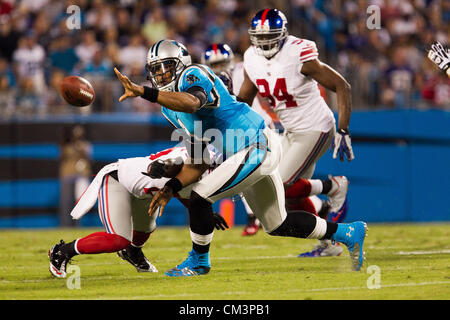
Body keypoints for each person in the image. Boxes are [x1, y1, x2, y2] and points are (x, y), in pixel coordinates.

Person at [114, 39, 367, 276]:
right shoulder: (170, 108)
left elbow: (192, 102)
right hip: (246, 152)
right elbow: (198, 162)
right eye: (156, 71)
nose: (161, 76)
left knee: (201, 196)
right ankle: (348, 232)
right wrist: (172, 186)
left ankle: (199, 262)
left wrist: (144, 92)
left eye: (166, 68)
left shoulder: (194, 74)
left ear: (180, 65)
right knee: (277, 223)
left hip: (255, 144)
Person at [202, 43, 349, 247]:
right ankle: (325, 231)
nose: (218, 68)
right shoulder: (217, 75)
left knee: (273, 183)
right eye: (213, 64)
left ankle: (332, 187)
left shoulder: (244, 67)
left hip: (262, 132)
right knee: (282, 192)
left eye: (220, 63)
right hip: (269, 131)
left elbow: (243, 101)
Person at [236, 9, 354, 257]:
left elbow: (341, 85)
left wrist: (343, 129)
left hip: (316, 126)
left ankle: (334, 186)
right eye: (260, 37)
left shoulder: (298, 52)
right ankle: (329, 243)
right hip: (291, 130)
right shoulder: (251, 58)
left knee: (278, 184)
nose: (265, 42)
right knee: (286, 198)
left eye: (271, 36)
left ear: (283, 34)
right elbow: (244, 99)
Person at [48, 145, 228, 278]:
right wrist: (163, 166)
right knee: (117, 240)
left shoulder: (209, 160)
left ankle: (132, 252)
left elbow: (183, 188)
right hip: (118, 181)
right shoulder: (199, 155)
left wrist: (204, 213)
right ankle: (62, 251)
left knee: (145, 229)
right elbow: (176, 160)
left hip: (145, 194)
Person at [58, 125, 92, 227]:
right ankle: (65, 224)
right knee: (66, 202)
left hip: (80, 176)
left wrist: (81, 147)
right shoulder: (66, 146)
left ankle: (77, 224)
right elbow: (62, 156)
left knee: (79, 202)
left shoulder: (86, 145)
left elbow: (88, 158)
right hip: (68, 175)